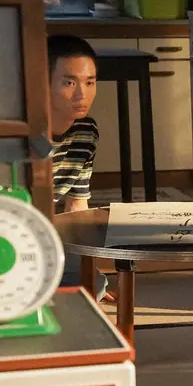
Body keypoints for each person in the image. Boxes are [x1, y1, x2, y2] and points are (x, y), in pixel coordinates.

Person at [47, 34, 110, 302]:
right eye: (69, 82)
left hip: (50, 235)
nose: (82, 94)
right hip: (13, 231)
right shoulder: (24, 130)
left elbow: (76, 206)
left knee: (94, 285)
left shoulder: (86, 130)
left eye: (90, 82)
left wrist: (87, 274)